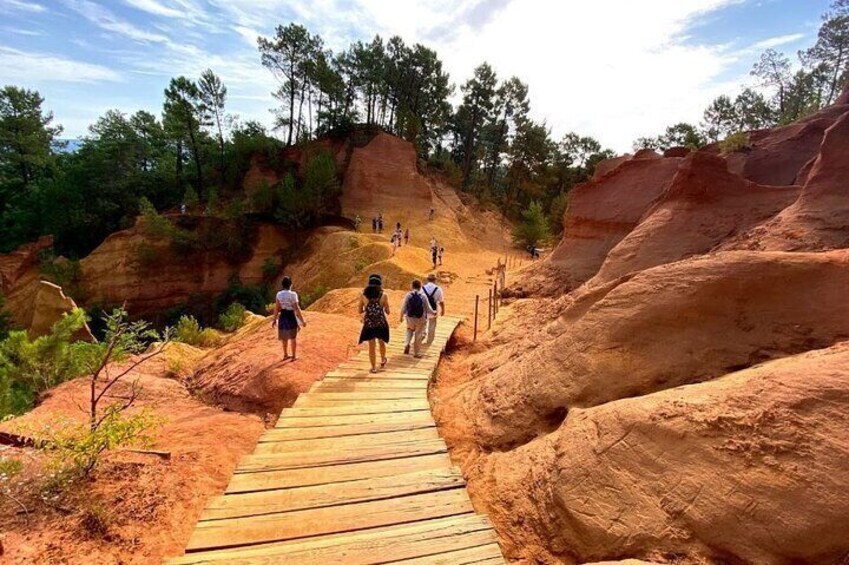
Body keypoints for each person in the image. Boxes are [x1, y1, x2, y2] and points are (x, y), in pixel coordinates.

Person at [359, 274, 390, 373]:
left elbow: (359, 310)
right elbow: (388, 311)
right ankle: (383, 359)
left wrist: (367, 310)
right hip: (381, 323)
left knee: (371, 346)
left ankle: (373, 367)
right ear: (379, 284)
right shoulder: (384, 295)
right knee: (381, 342)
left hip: (369, 324)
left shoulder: (363, 295)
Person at [271, 276, 307, 361]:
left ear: (282, 285)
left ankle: (285, 355)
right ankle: (294, 356)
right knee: (293, 337)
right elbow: (296, 308)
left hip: (283, 315)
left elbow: (277, 308)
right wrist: (302, 320)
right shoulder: (293, 295)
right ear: (290, 284)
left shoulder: (279, 294)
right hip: (291, 316)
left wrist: (274, 320)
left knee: (284, 337)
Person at [400, 279, 435, 357]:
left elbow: (403, 307)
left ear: (412, 286)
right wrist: (434, 312)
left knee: (409, 330)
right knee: (418, 334)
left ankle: (407, 344)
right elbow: (428, 308)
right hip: (421, 319)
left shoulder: (408, 295)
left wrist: (401, 316)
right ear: (420, 287)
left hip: (410, 318)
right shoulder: (423, 296)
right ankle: (416, 353)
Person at [423, 273, 445, 345]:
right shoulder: (438, 289)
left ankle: (422, 335)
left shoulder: (422, 288)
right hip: (433, 309)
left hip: (423, 309)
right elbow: (441, 301)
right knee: (432, 324)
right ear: (435, 280)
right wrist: (443, 310)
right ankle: (430, 340)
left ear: (427, 280)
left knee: (423, 323)